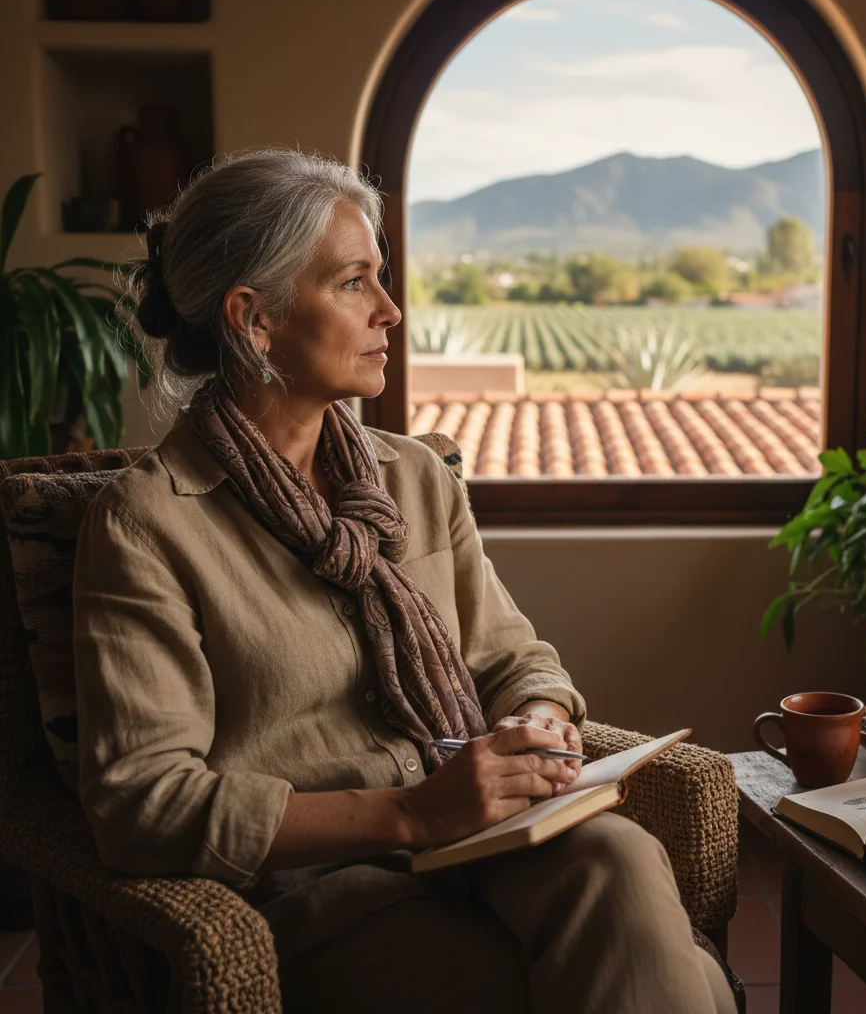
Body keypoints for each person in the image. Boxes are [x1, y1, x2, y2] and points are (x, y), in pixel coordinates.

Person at [72, 149, 736, 1014]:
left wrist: (539, 722)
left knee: (617, 857)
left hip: (489, 846)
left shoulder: (414, 477)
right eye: (354, 283)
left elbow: (512, 658)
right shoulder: (148, 525)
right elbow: (144, 805)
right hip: (326, 896)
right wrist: (415, 814)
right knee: (689, 985)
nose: (390, 309)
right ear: (254, 319)